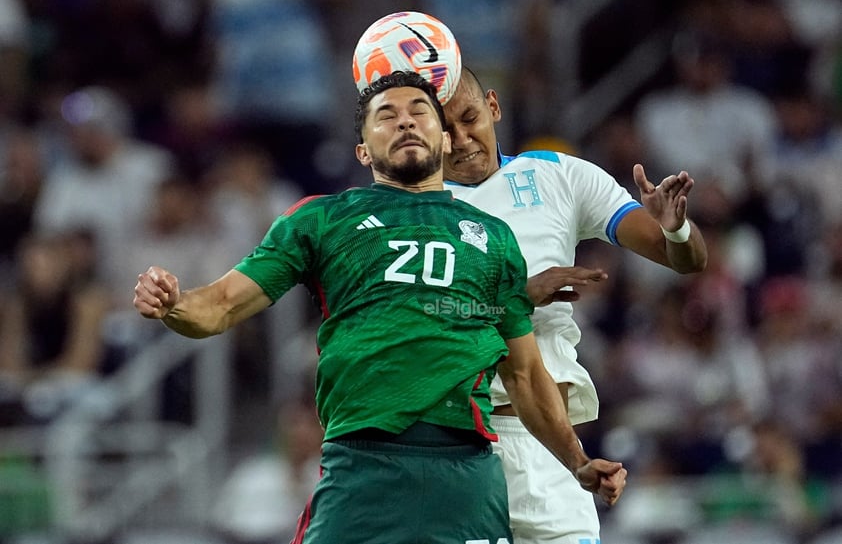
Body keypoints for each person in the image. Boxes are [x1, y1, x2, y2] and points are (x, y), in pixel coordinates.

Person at [133, 71, 626, 544]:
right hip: (362, 468)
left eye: (420, 111)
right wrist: (175, 304)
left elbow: (525, 376)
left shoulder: (495, 239)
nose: (407, 121)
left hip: (466, 475)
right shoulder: (321, 219)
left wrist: (577, 461)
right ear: (363, 149)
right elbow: (218, 306)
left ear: (443, 137)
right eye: (387, 115)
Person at [441, 67, 707, 544]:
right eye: (445, 128)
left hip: (554, 452)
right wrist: (520, 295)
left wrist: (675, 228)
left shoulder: (559, 175)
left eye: (469, 117)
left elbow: (684, 260)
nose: (461, 139)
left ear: (494, 107)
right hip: (460, 450)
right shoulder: (415, 211)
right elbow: (427, 320)